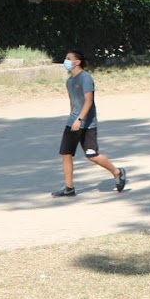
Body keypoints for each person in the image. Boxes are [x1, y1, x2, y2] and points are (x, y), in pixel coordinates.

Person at [51, 49, 127, 197]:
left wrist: (80, 119)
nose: (66, 61)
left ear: (77, 62)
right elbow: (74, 103)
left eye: (68, 59)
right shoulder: (70, 81)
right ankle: (69, 188)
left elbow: (89, 100)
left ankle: (117, 172)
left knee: (92, 155)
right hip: (72, 122)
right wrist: (73, 119)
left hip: (87, 124)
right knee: (66, 154)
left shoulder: (85, 78)